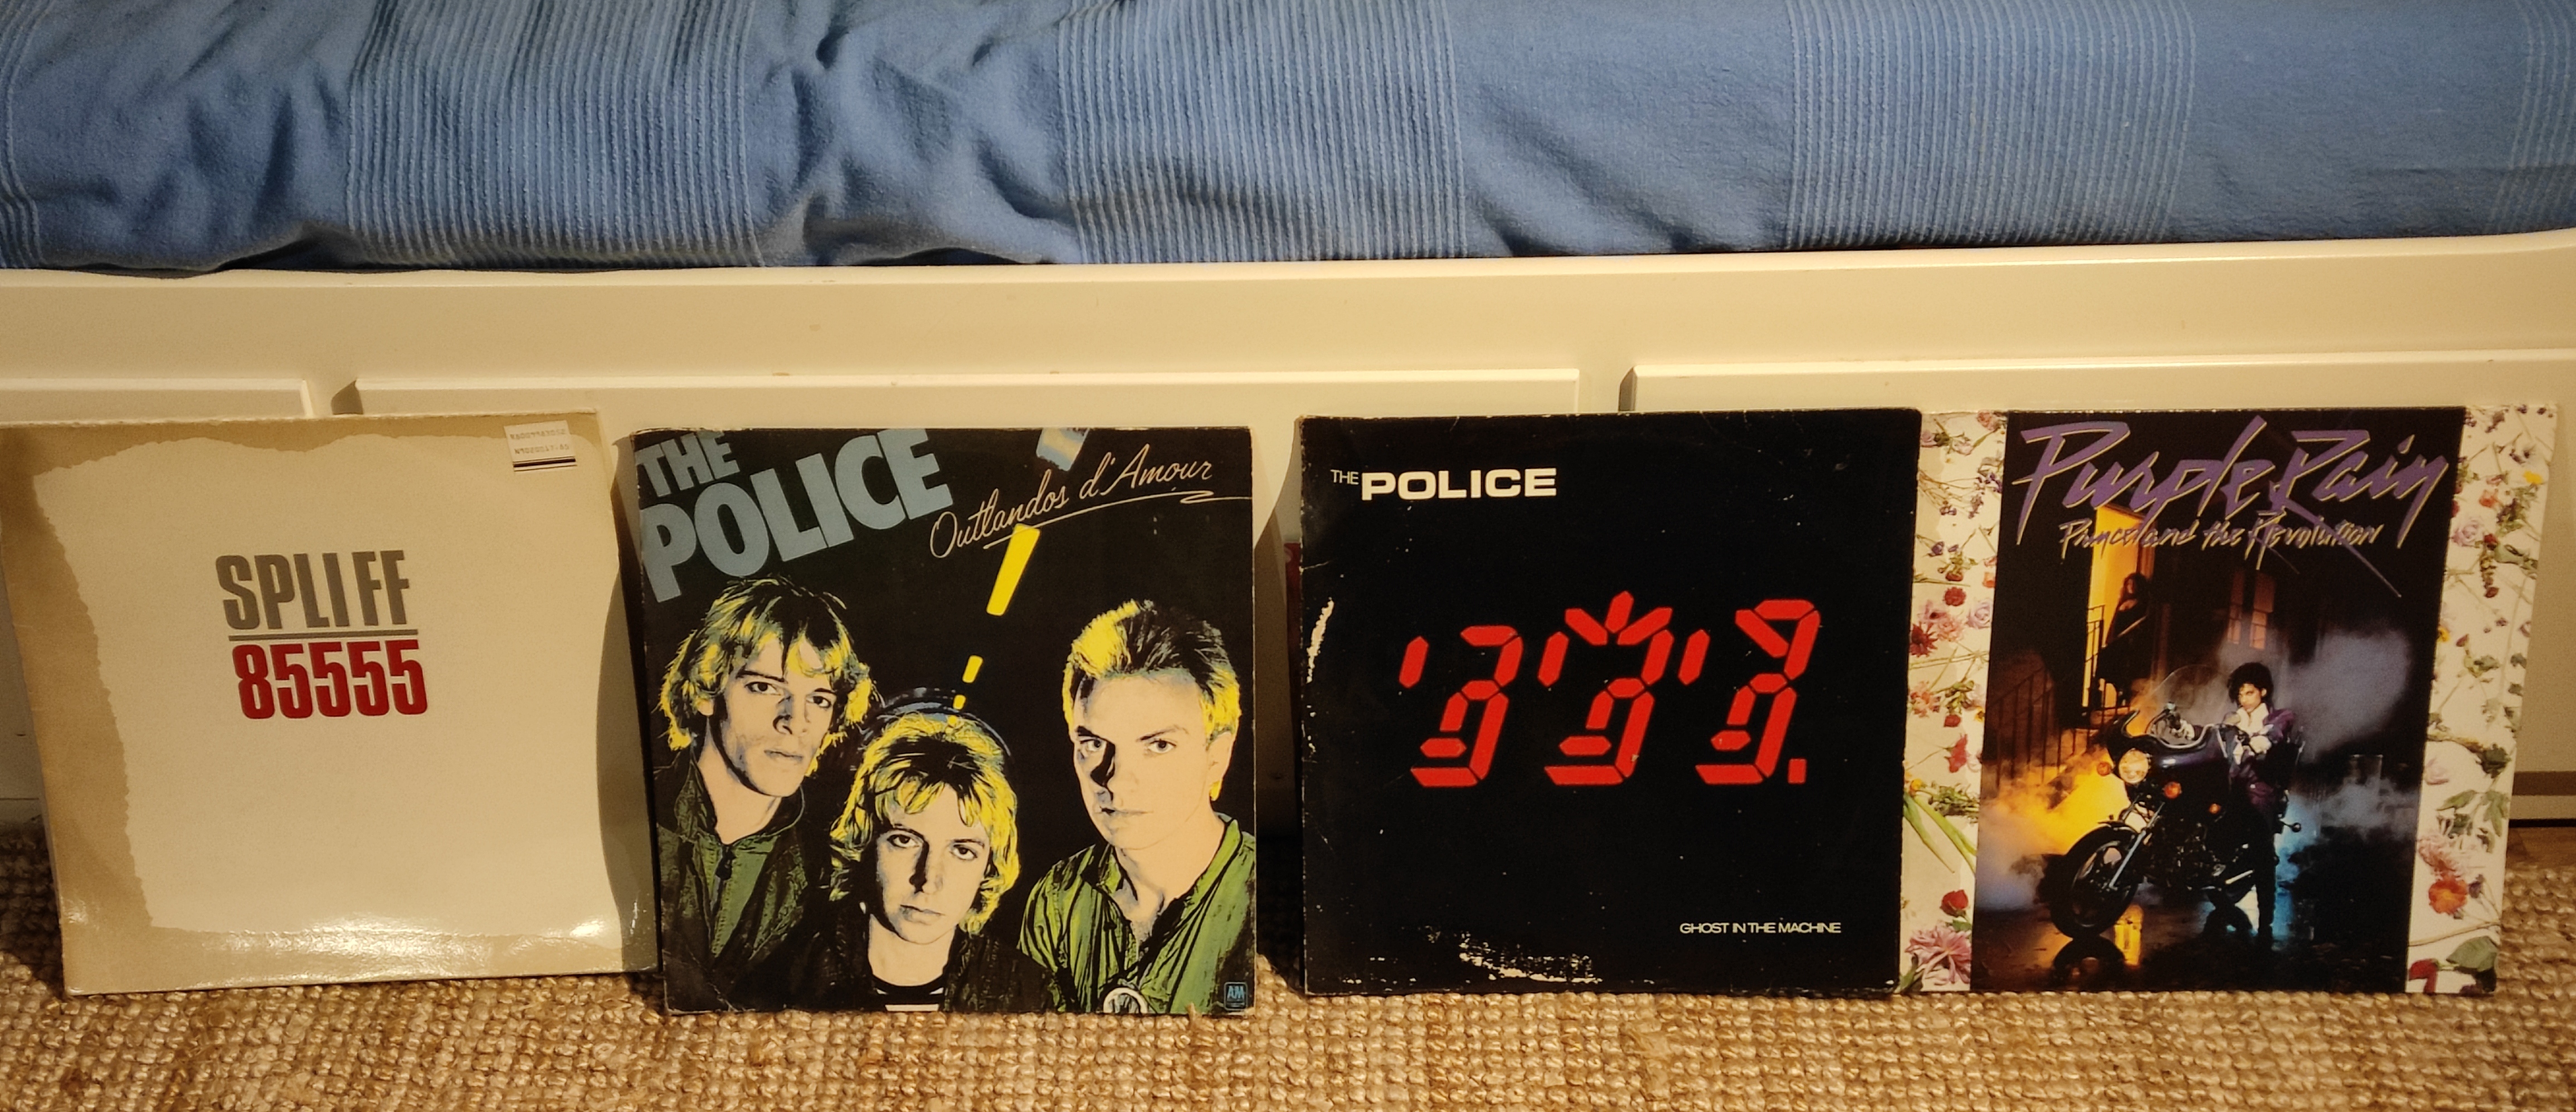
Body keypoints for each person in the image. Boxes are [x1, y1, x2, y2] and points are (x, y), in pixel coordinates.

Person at [1019, 600, 1255, 1015]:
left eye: (1158, 745)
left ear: (1217, 756)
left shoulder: (1262, 896)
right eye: (1094, 744)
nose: (1114, 779)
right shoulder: (1058, 898)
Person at [652, 576, 871, 1011]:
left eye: (819, 700)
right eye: (765, 687)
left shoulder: (833, 872)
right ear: (708, 691)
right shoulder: (634, 818)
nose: (796, 721)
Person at [797, 702, 1036, 1011]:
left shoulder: (1030, 996)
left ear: (989, 866)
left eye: (962, 851)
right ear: (866, 843)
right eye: (905, 840)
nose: (929, 880)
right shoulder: (792, 983)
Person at [2219, 661, 2298, 935]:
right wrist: (2185, 730)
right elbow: (2213, 736)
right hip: (2233, 788)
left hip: (2261, 790)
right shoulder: (2234, 718)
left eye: (2250, 692)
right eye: (2240, 693)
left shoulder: (2279, 716)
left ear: (2263, 692)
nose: (2244, 699)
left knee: (2262, 851)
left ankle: (2266, 918)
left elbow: (2276, 731)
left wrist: (2263, 740)